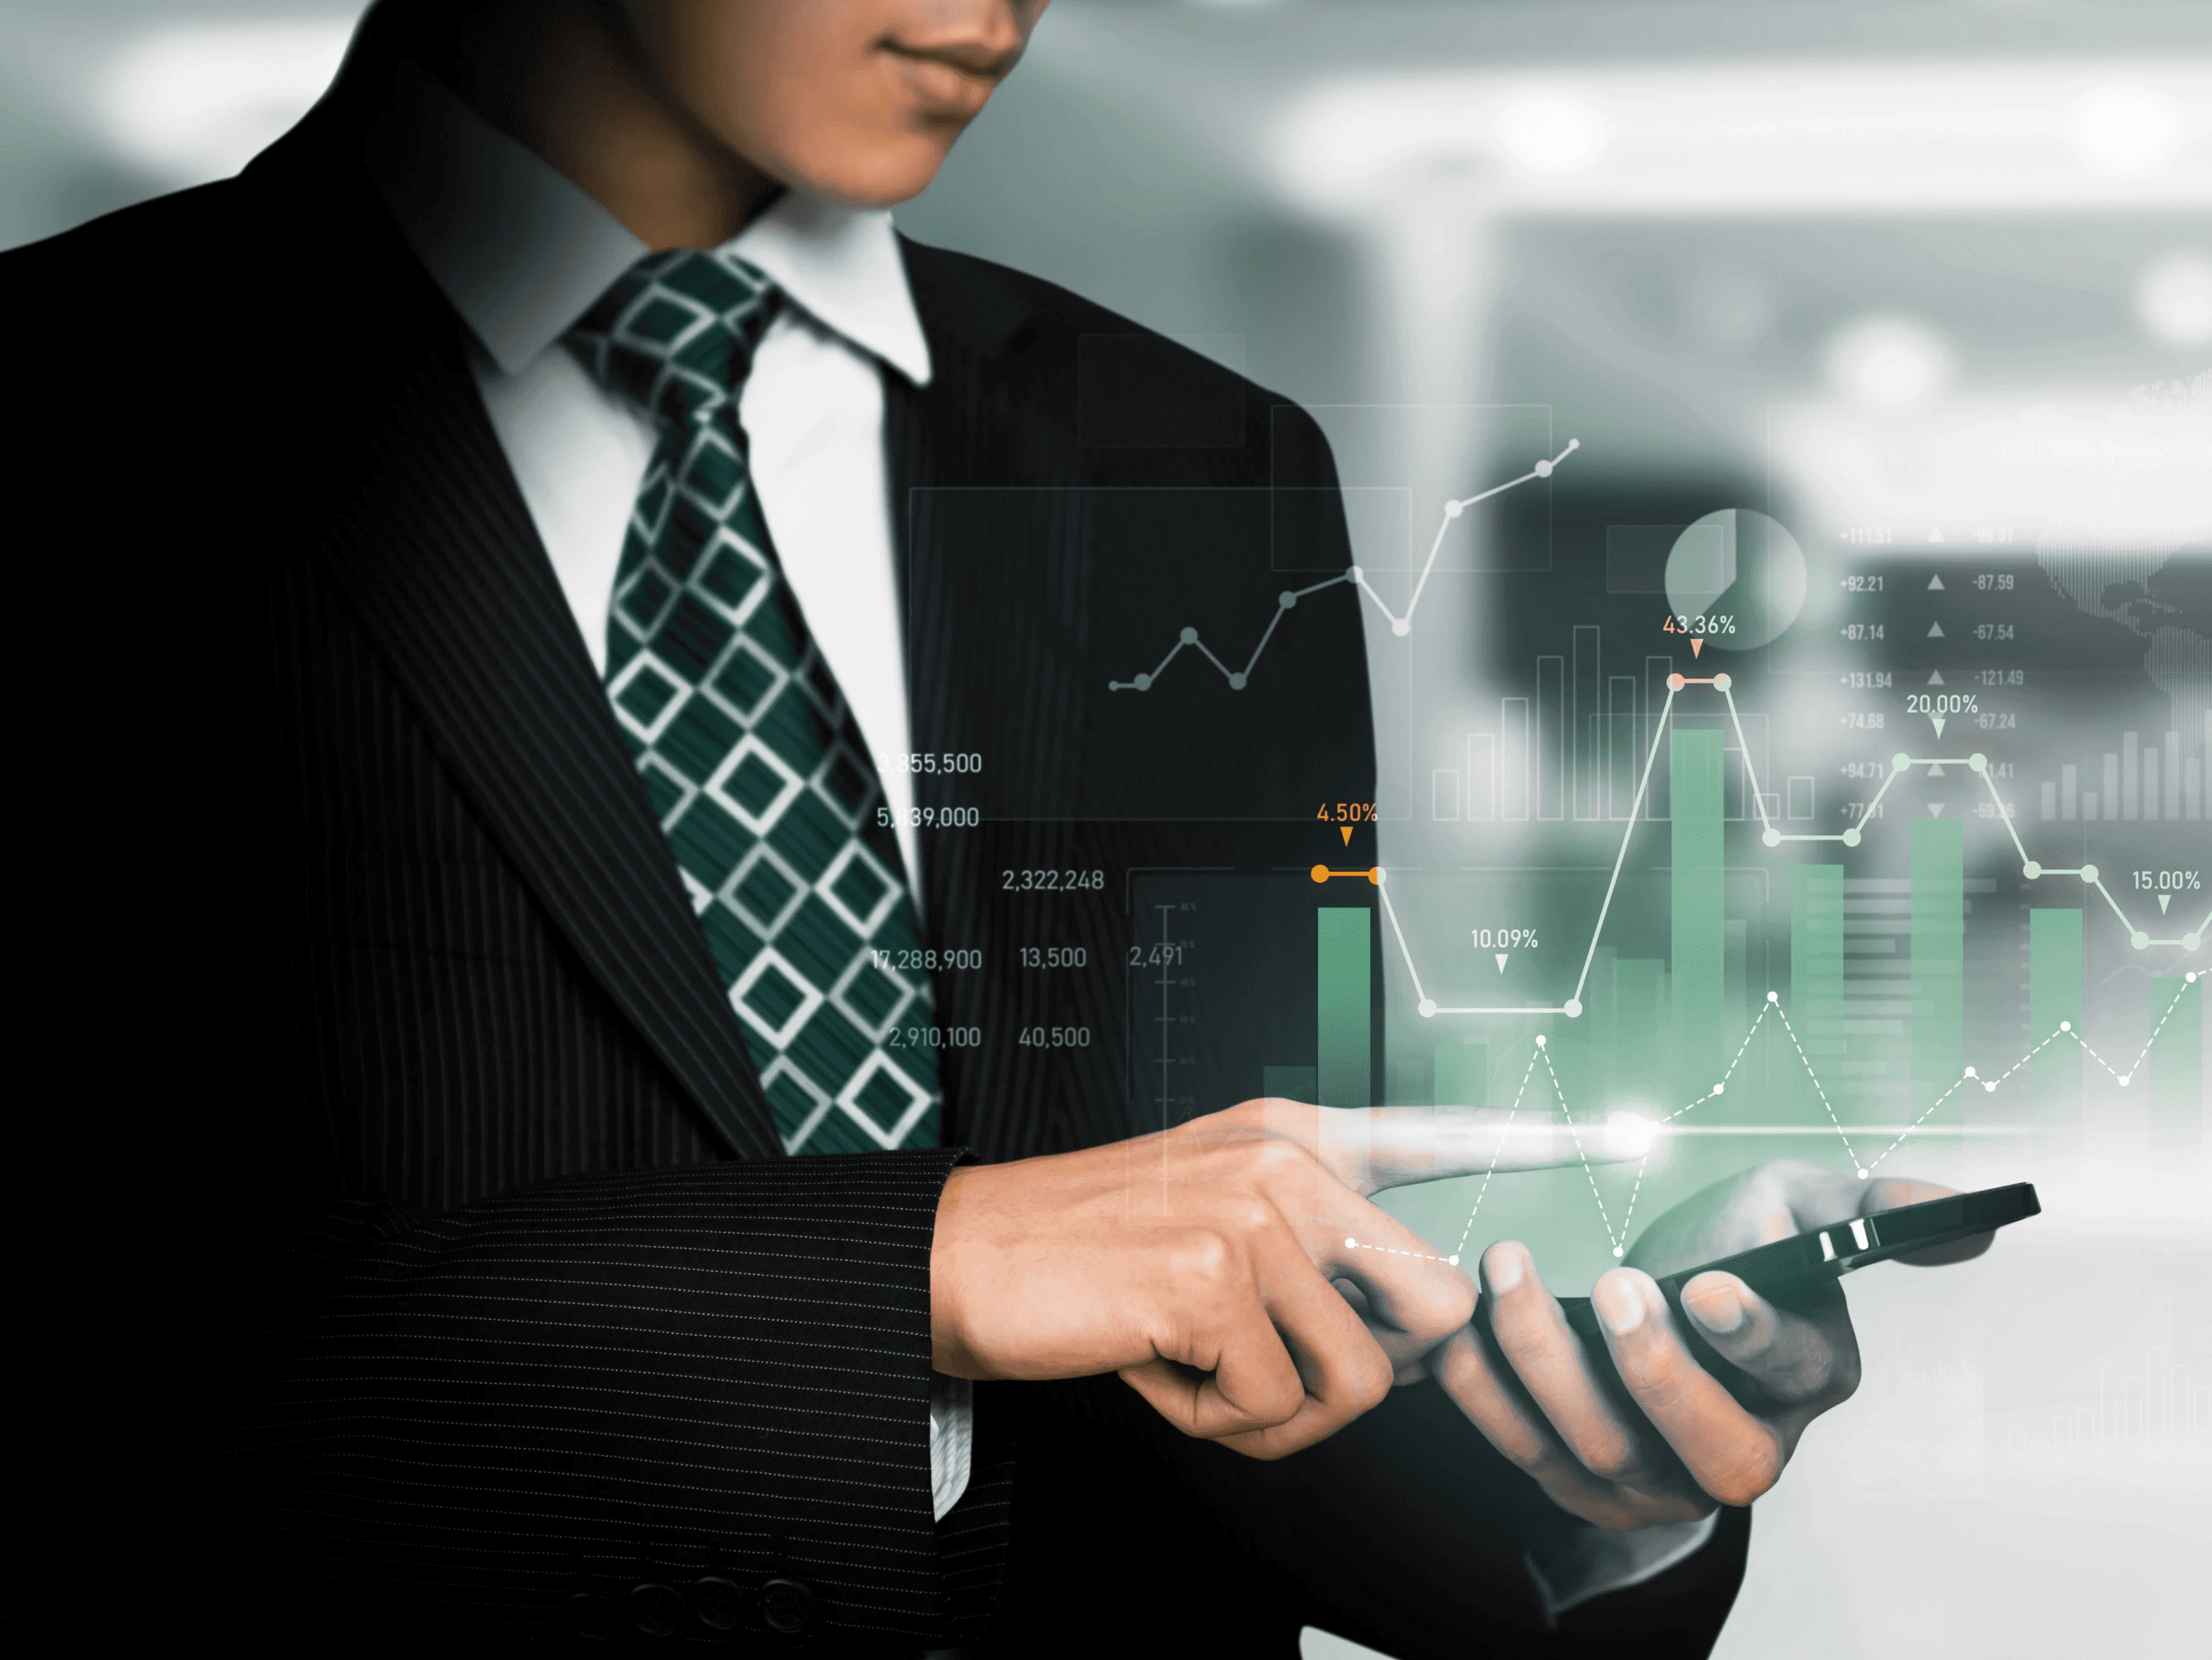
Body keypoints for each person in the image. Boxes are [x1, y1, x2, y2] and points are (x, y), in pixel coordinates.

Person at [11, 2, 1993, 1652]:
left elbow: (1214, 1341)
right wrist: (921, 1271)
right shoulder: (100, 419)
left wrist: (1572, 1484)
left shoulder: (1199, 465)